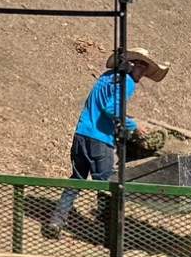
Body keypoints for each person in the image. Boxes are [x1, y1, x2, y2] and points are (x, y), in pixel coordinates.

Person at [44, 50, 167, 237]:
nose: (143, 74)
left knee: (77, 179)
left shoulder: (106, 77)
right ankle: (108, 232)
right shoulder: (127, 82)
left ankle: (57, 220)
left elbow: (101, 104)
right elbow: (111, 108)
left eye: (145, 70)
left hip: (82, 133)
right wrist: (134, 126)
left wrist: (125, 119)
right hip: (100, 139)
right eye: (141, 68)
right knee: (108, 186)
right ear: (132, 64)